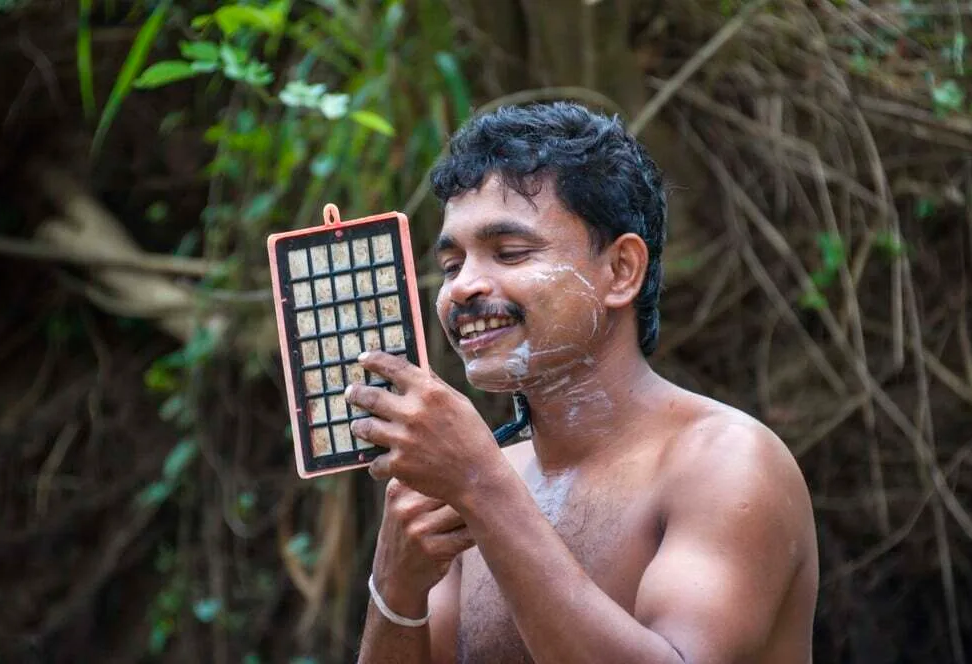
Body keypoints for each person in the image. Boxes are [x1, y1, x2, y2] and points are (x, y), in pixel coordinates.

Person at [345, 102, 818, 664]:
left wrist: (480, 484)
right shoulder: (474, 480)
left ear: (620, 270)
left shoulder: (726, 462)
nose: (463, 287)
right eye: (452, 265)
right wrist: (394, 587)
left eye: (509, 253)